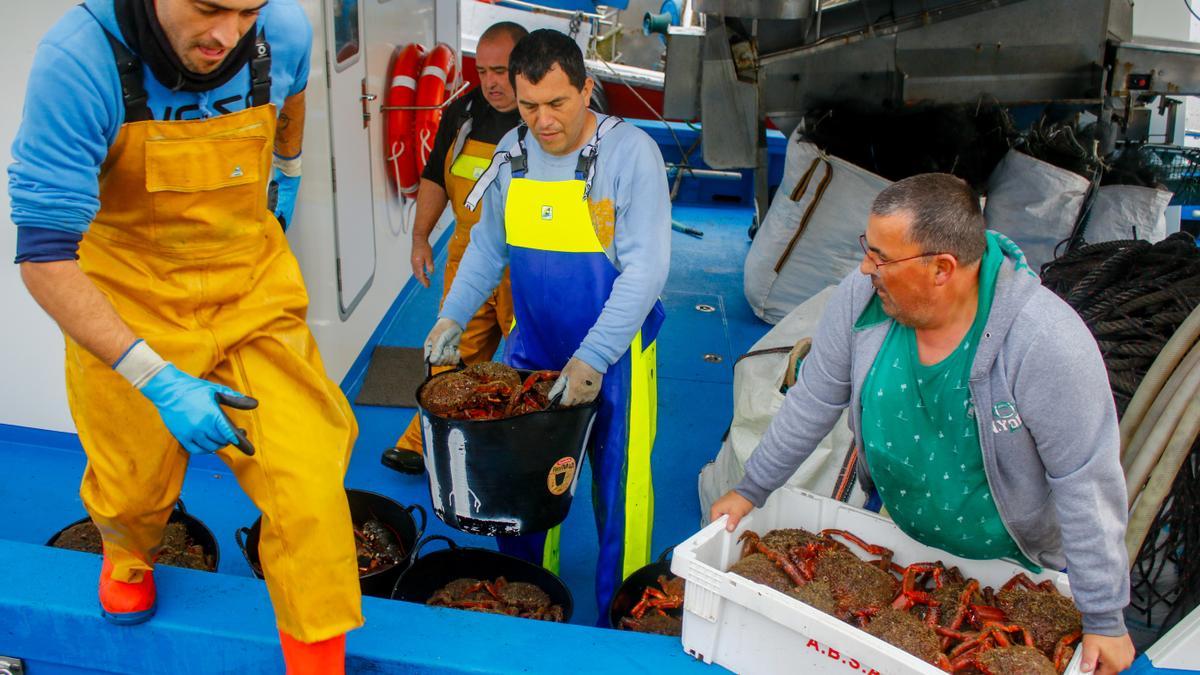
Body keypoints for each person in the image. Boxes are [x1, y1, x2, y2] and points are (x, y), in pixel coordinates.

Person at [10, 1, 360, 671]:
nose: (227, 35)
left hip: (250, 290)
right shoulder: (80, 62)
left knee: (309, 480)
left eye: (246, 10)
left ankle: (318, 661)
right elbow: (45, 261)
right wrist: (157, 378)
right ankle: (128, 552)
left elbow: (293, 94)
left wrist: (288, 169)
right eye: (208, 8)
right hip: (128, 298)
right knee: (134, 487)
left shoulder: (281, 31)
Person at [710, 174, 1135, 674]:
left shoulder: (1046, 343)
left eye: (883, 258)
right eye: (867, 250)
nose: (866, 268)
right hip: (901, 542)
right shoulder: (860, 299)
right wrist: (751, 489)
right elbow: (814, 401)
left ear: (942, 268)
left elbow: (1085, 480)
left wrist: (1103, 618)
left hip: (1014, 564)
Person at [423, 29, 670, 616]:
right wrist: (451, 316)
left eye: (557, 103)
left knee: (618, 491)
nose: (543, 121)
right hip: (532, 350)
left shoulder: (631, 154)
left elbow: (646, 269)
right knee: (522, 484)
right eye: (529, 106)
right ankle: (525, 597)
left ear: (587, 89)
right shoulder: (511, 151)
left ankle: (620, 614)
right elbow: (487, 247)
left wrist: (594, 356)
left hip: (615, 359)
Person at [381, 21, 527, 474]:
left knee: (530, 359)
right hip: (470, 252)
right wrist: (421, 236)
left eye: (501, 70)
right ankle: (426, 440)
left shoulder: (542, 117)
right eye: (482, 70)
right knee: (451, 351)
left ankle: (531, 449)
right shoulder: (464, 111)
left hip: (529, 260)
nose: (490, 82)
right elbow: (434, 177)